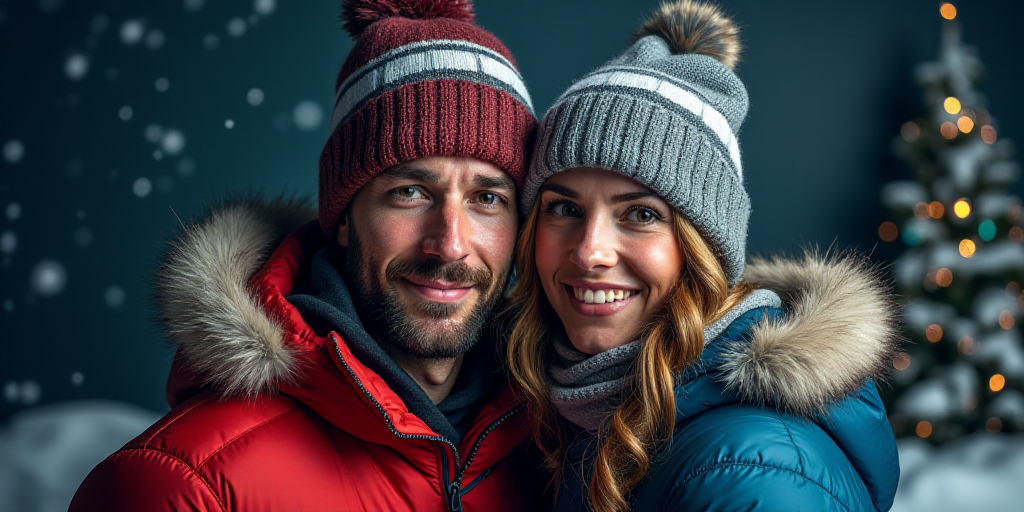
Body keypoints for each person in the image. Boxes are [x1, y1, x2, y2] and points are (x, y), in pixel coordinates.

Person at [70, 1, 538, 510]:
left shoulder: (560, 456)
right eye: (410, 193)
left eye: (487, 199)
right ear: (341, 217)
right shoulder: (181, 487)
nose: (450, 243)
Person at [505, 2, 902, 511]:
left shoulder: (749, 474)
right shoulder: (581, 407)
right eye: (564, 207)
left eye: (641, 215)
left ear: (701, 247)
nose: (590, 251)